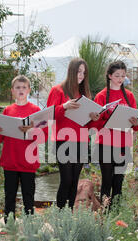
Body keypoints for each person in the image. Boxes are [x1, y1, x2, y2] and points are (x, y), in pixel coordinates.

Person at [0, 75, 48, 223]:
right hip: (10, 160)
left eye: (24, 87)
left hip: (28, 161)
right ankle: (9, 224)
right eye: (17, 87)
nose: (21, 90)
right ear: (12, 91)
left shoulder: (36, 111)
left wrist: (32, 129)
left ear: (29, 90)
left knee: (28, 195)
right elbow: (1, 138)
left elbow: (44, 135)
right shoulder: (8, 110)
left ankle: (29, 224)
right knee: (9, 194)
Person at [89, 61, 138, 206]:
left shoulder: (129, 96)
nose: (120, 78)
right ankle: (104, 214)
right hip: (105, 143)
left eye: (123, 75)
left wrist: (136, 123)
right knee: (107, 180)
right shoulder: (101, 96)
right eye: (117, 75)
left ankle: (116, 215)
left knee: (118, 181)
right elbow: (95, 125)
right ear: (110, 76)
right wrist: (102, 120)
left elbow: (135, 125)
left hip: (123, 143)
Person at [46, 57, 94, 210]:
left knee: (74, 181)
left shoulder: (84, 94)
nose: (81, 75)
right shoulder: (58, 90)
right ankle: (60, 215)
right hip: (64, 140)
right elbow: (49, 115)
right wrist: (64, 107)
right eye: (79, 71)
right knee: (66, 180)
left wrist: (93, 118)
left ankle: (69, 215)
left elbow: (88, 123)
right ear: (71, 71)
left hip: (81, 140)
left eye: (84, 73)